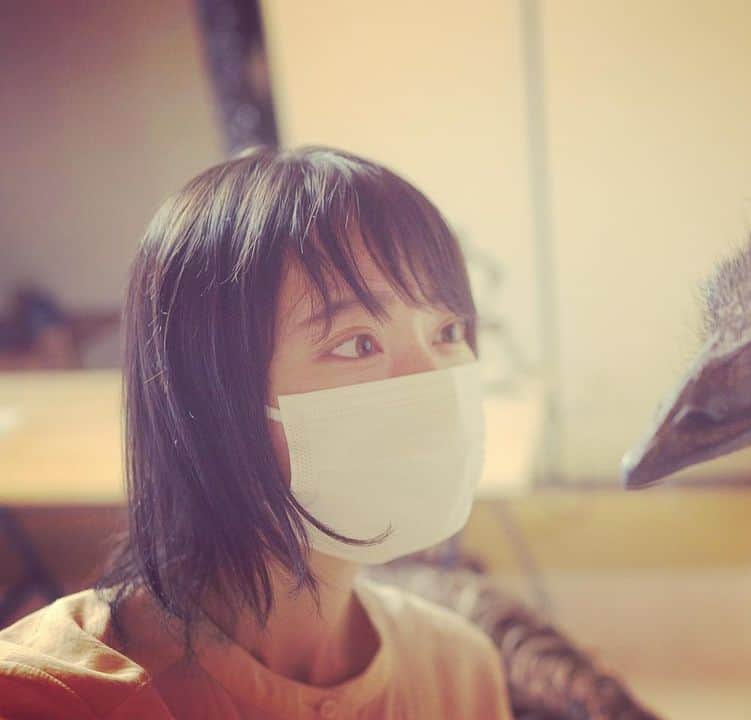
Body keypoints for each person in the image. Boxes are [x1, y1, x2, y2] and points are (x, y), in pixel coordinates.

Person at [0, 147, 513, 719]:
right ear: (214, 396)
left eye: (447, 330)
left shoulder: (460, 671)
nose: (435, 387)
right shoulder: (58, 697)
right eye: (356, 343)